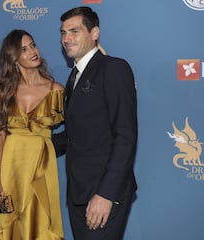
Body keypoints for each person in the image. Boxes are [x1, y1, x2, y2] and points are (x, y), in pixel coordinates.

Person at [52, 6, 138, 240]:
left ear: (95, 33)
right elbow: (75, 135)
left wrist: (105, 194)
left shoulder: (113, 68)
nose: (66, 39)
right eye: (63, 33)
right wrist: (30, 143)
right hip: (79, 192)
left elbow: (125, 136)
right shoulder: (74, 76)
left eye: (74, 31)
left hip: (103, 192)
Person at [0, 29, 64, 240]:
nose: (32, 51)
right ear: (14, 58)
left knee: (42, 226)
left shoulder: (55, 90)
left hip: (42, 168)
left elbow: (78, 130)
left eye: (33, 45)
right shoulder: (2, 94)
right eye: (24, 49)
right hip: (11, 169)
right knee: (13, 229)